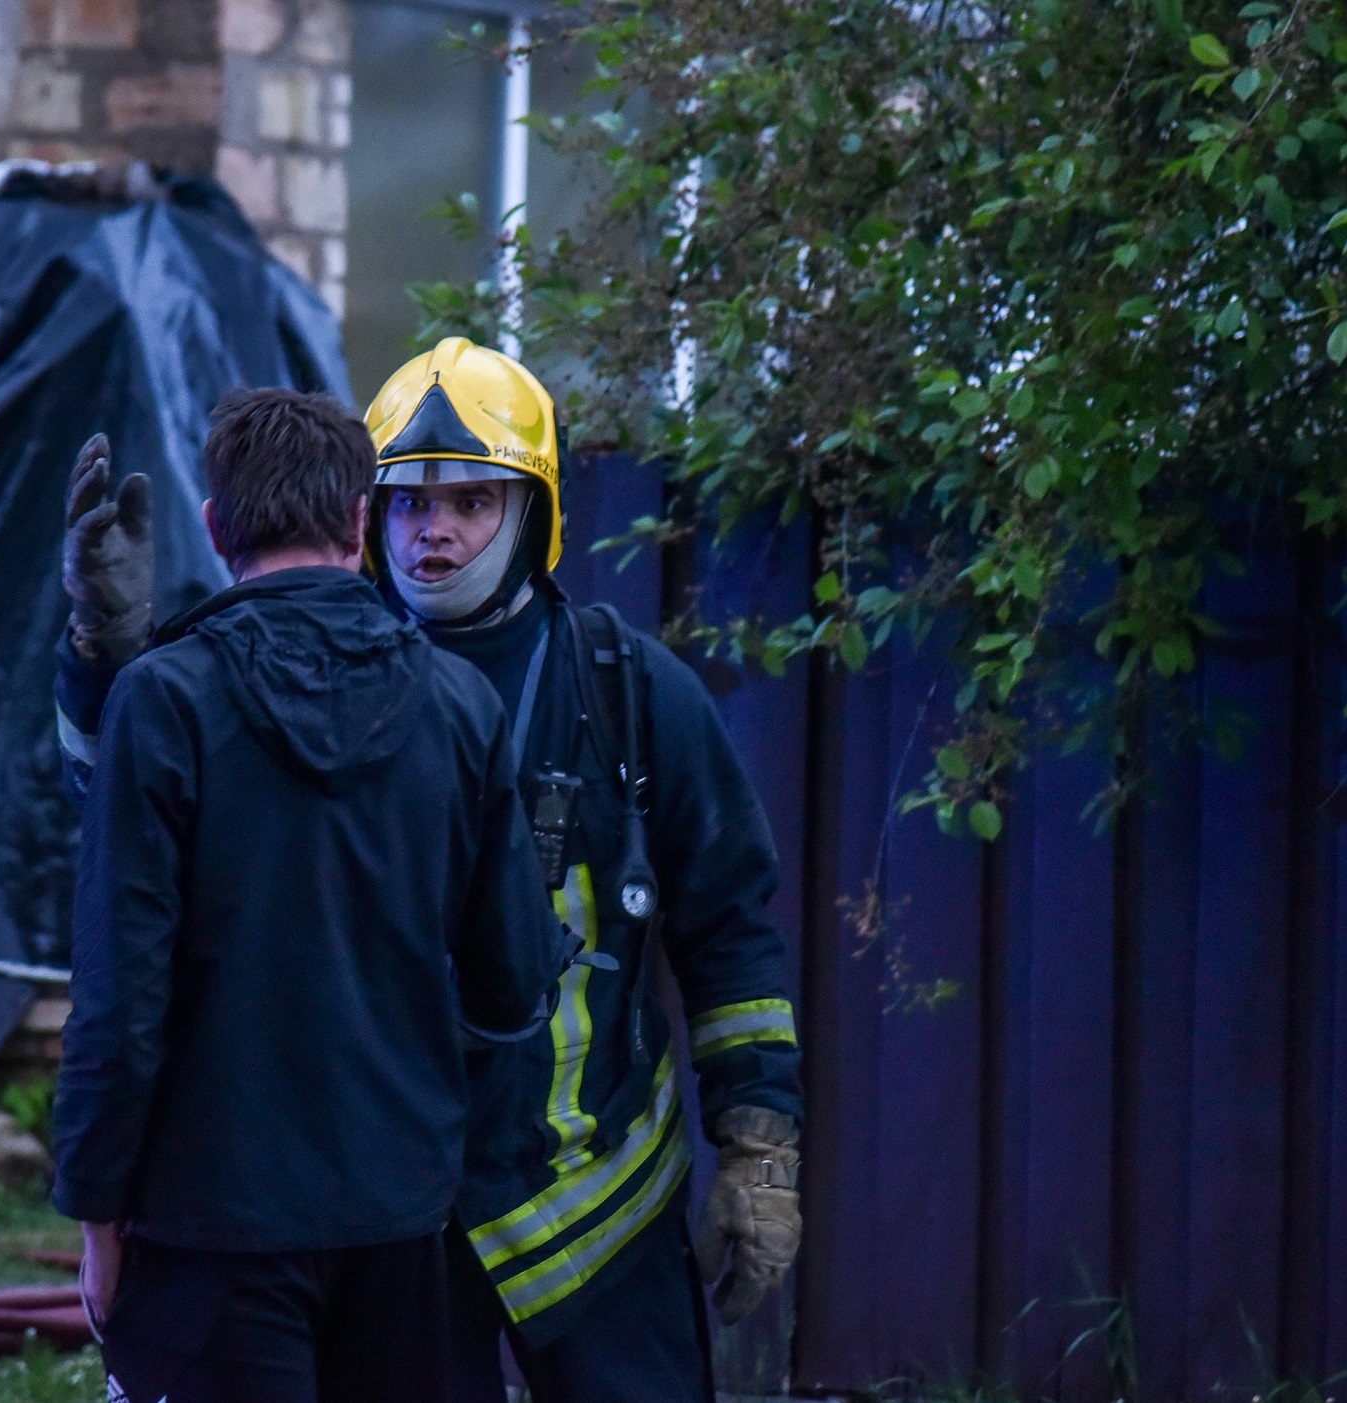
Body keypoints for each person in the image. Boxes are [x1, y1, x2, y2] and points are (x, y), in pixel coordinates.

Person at [59, 340, 804, 1403]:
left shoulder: (632, 693)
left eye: (470, 501)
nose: (432, 531)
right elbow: (130, 837)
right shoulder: (298, 677)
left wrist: (759, 1148)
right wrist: (104, 661)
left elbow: (731, 930)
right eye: (408, 502)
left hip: (589, 1198)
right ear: (365, 515)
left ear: (535, 512)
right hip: (396, 1207)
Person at [50, 387, 565, 1403]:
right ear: (362, 520)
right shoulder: (462, 704)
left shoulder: (164, 698)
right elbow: (514, 983)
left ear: (214, 527)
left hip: (209, 1227)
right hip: (402, 1223)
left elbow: (118, 998)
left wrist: (97, 1216)